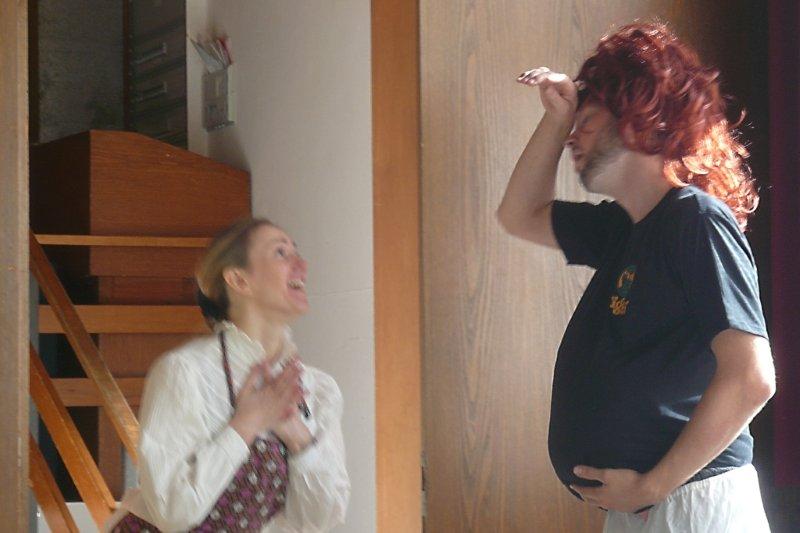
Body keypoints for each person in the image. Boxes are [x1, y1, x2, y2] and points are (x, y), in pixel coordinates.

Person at [497, 21, 775, 532]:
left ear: (639, 112)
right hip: (648, 507)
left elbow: (751, 378)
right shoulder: (623, 230)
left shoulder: (696, 219)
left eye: (586, 119)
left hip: (691, 502)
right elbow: (519, 214)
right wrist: (556, 119)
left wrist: (652, 486)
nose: (572, 137)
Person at [105, 218, 350, 532]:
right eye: (281, 253)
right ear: (238, 280)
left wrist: (297, 436)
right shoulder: (186, 372)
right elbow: (171, 511)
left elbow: (319, 521)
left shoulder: (318, 390)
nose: (302, 265)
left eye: (296, 252)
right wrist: (245, 424)